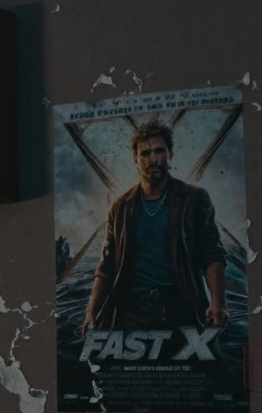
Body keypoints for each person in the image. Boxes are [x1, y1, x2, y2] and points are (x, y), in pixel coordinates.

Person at [81, 120, 229, 336]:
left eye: (159, 151)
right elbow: (108, 265)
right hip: (132, 309)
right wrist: (91, 313)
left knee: (204, 368)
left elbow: (212, 254)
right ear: (135, 160)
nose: (153, 158)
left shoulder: (194, 199)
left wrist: (218, 302)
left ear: (169, 155)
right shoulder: (121, 207)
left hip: (181, 303)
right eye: (145, 153)